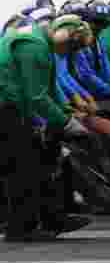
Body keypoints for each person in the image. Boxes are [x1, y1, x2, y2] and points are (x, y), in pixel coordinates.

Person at [0, 14, 93, 241]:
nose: (72, 51)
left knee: (36, 161)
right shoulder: (34, 47)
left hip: (12, 107)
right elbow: (37, 97)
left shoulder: (41, 44)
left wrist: (66, 112)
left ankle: (48, 218)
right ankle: (21, 229)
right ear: (65, 34)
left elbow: (49, 90)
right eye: (73, 45)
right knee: (24, 167)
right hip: (6, 108)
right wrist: (65, 123)